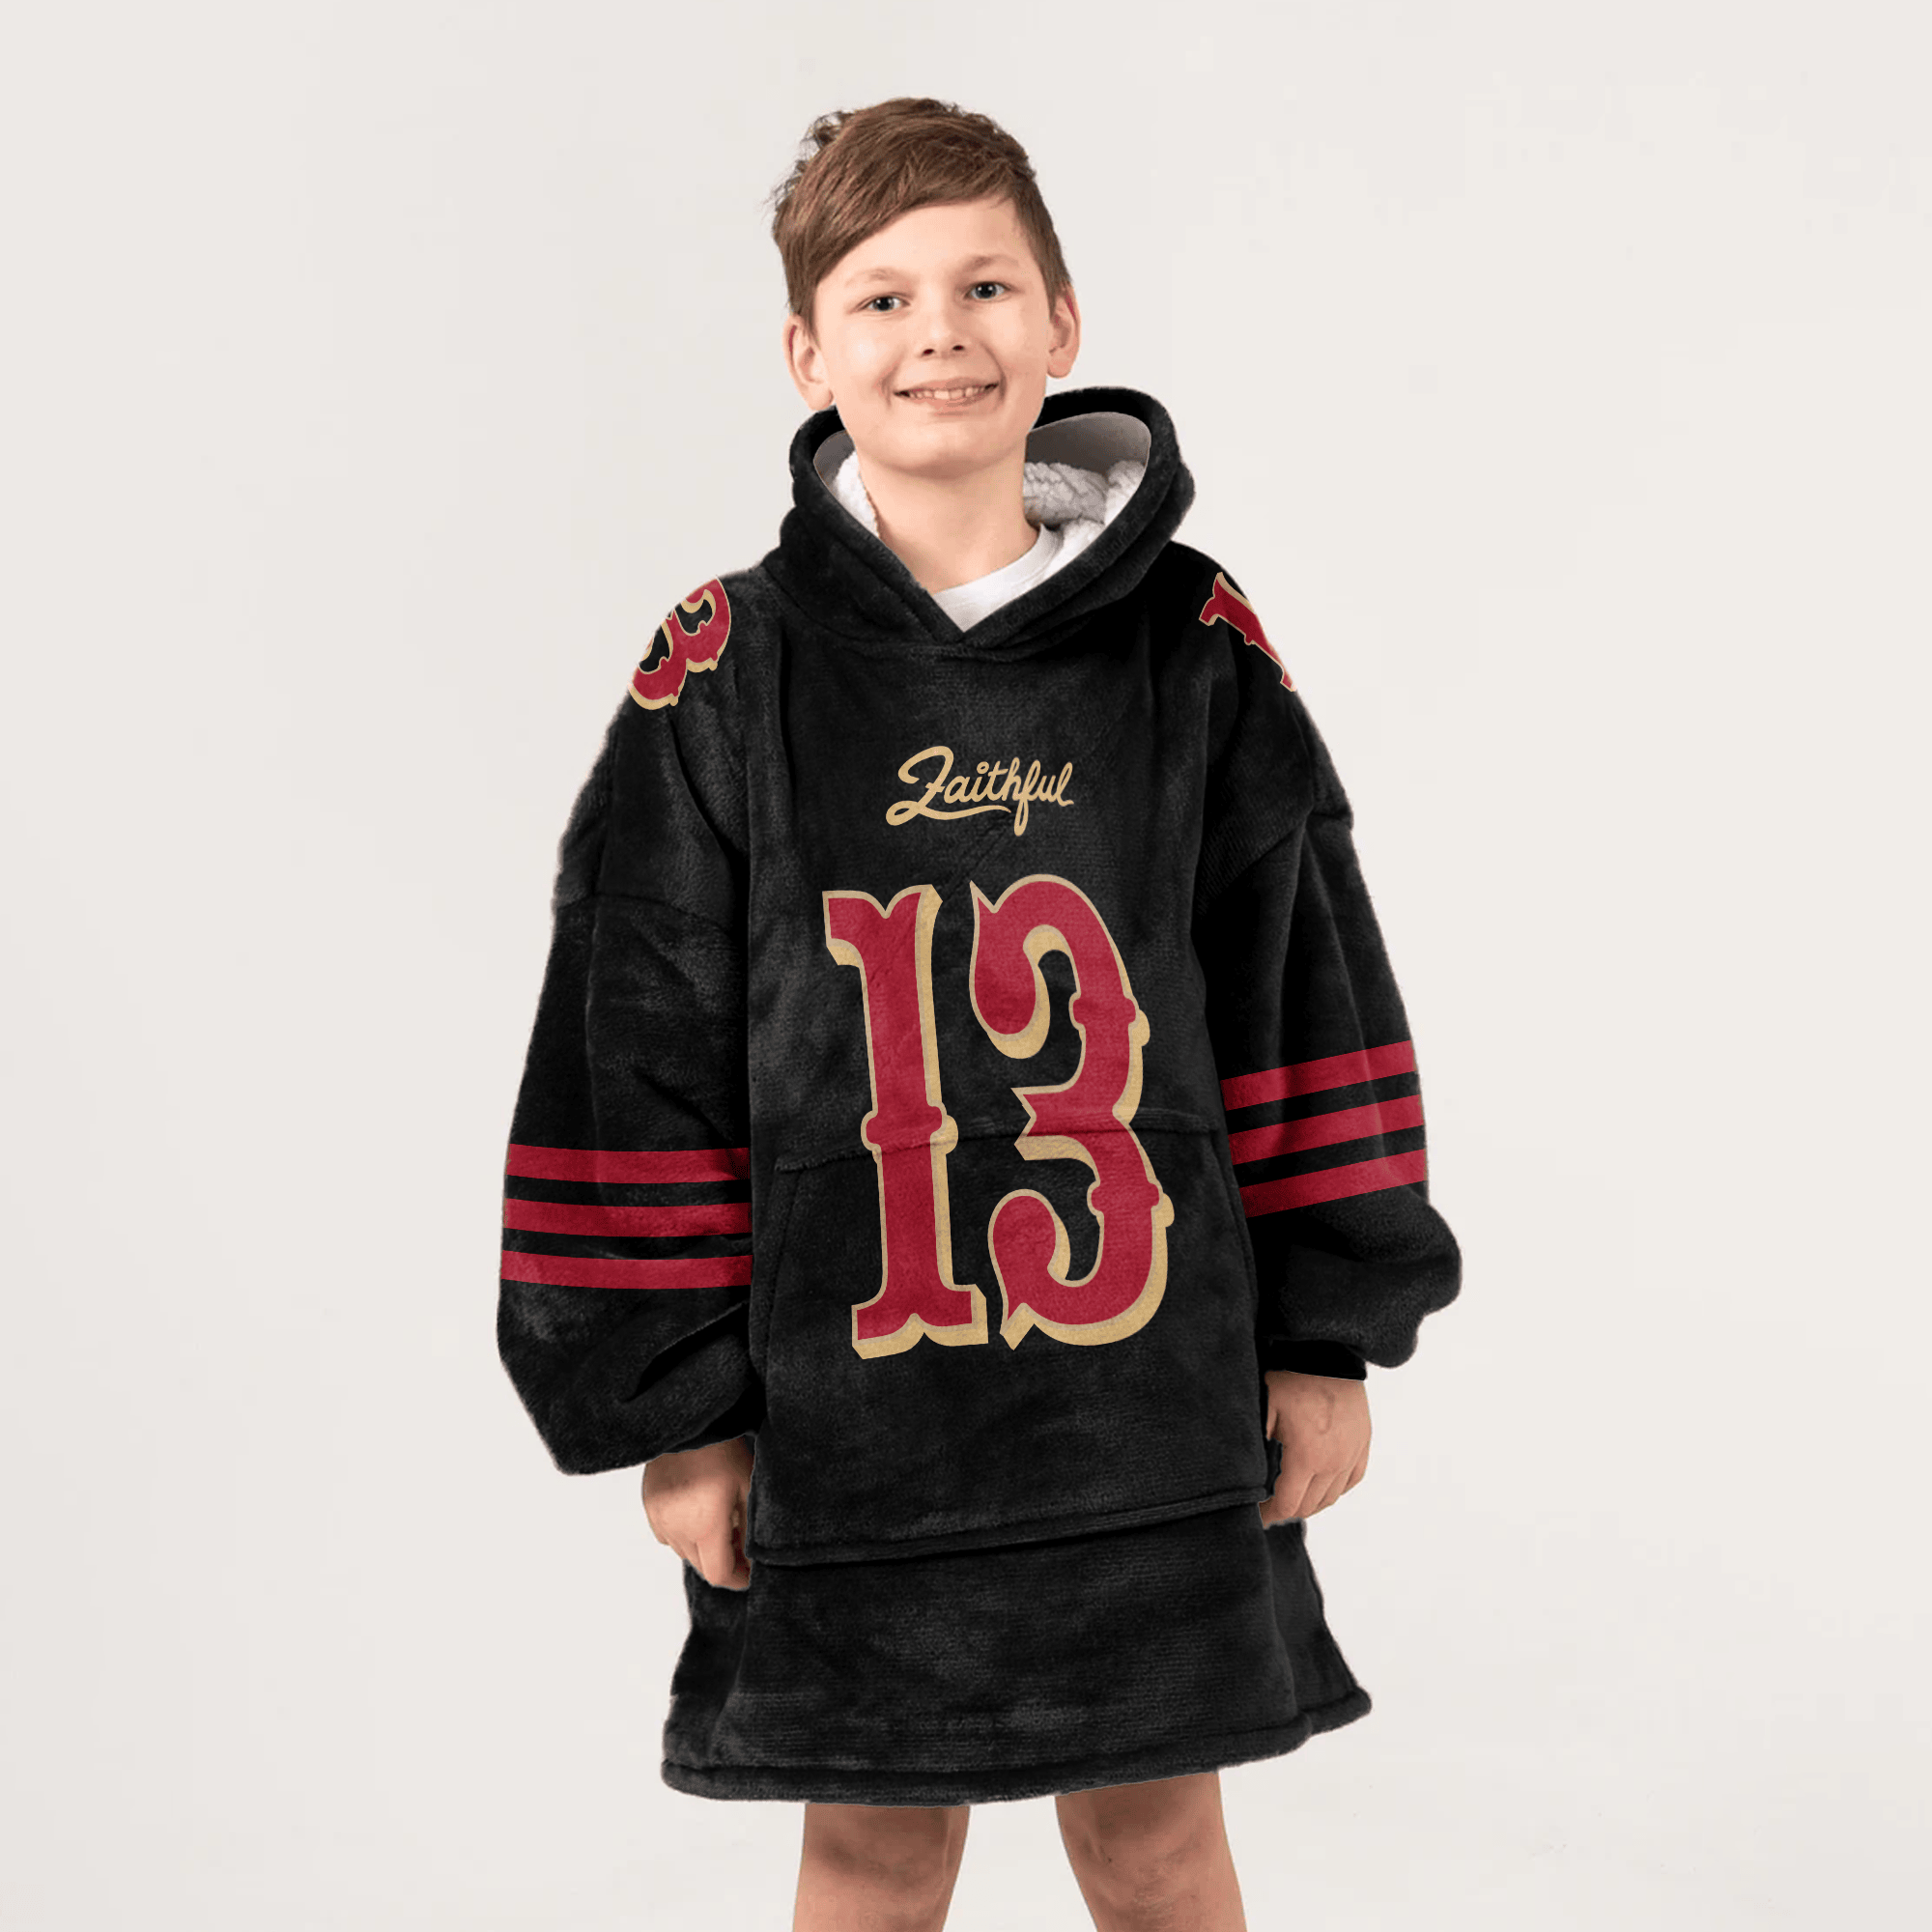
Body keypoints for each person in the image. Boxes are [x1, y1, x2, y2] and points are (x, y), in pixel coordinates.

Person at [497, 96, 1461, 1931]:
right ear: (808, 354)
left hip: (1147, 1400)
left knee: (1156, 1842)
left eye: (985, 286)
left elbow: (1301, 980)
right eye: (882, 299)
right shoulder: (725, 674)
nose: (937, 332)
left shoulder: (1191, 646)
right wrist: (678, 1408)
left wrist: (1331, 1329)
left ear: (1063, 322)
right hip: (849, 1416)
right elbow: (631, 1047)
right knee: (872, 1851)